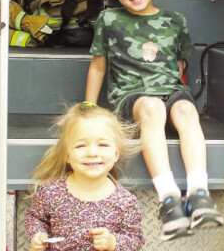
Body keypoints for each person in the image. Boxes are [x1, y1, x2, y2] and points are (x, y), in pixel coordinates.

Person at [85, 0, 224, 241]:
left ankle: (199, 193)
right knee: (152, 109)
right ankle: (169, 199)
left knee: (187, 111)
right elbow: (98, 67)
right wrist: (88, 107)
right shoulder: (109, 21)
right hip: (132, 97)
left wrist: (178, 81)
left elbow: (181, 62)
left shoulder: (176, 20)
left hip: (171, 90)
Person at [25, 103, 144, 251]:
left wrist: (113, 242)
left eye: (103, 145)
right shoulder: (51, 192)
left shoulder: (125, 202)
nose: (92, 153)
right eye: (81, 146)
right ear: (67, 155)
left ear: (116, 153)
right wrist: (38, 235)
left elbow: (136, 240)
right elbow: (35, 217)